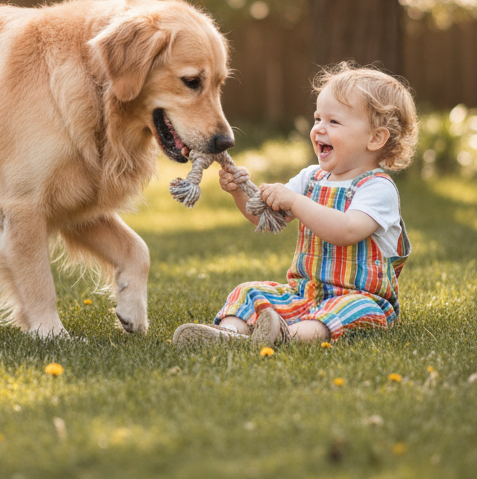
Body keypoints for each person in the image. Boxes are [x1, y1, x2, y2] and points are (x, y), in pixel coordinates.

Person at [174, 62, 418, 347]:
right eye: (317, 119)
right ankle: (229, 335)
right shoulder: (310, 178)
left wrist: (296, 202)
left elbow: (347, 230)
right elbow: (265, 219)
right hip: (304, 292)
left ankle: (286, 337)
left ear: (375, 138)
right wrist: (238, 193)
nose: (318, 129)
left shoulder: (377, 188)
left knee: (351, 310)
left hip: (360, 298)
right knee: (249, 291)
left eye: (333, 122)